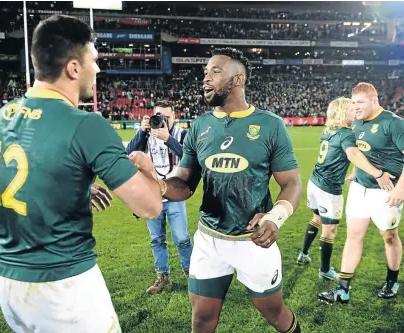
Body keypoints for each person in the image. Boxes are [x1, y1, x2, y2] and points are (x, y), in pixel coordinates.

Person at [0, 15, 162, 333]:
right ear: (73, 68)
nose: (98, 70)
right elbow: (149, 207)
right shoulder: (86, 124)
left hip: (7, 280)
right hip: (62, 285)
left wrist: (64, 183)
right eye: (94, 60)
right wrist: (149, 170)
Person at [155, 47, 303, 333]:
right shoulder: (200, 126)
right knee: (201, 319)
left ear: (238, 80)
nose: (205, 78)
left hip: (254, 239)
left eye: (215, 72)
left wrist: (275, 217)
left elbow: (292, 183)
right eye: (205, 73)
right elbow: (184, 184)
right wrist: (159, 184)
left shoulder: (270, 125)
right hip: (209, 240)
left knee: (275, 314)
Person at [319, 82, 404, 304]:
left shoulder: (393, 123)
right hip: (359, 189)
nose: (355, 107)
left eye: (360, 102)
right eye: (353, 102)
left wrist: (401, 188)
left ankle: (392, 280)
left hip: (385, 192)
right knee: (354, 236)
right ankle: (342, 290)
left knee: (389, 236)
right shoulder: (356, 123)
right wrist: (355, 172)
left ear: (374, 100)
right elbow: (362, 150)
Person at [297, 97, 394, 281]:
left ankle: (303, 253)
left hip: (314, 182)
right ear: (343, 112)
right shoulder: (346, 133)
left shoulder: (328, 130)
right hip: (329, 188)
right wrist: (377, 173)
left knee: (316, 217)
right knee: (330, 230)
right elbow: (353, 154)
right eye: (351, 109)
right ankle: (325, 270)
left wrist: (353, 172)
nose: (355, 111)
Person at [126, 100, 193, 294]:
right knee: (156, 239)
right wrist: (141, 131)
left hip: (174, 194)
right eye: (159, 117)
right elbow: (128, 154)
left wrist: (168, 139)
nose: (162, 121)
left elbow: (191, 158)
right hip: (152, 195)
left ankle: (191, 275)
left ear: (174, 117)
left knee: (182, 238)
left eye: (167, 117)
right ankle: (162, 277)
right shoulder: (147, 135)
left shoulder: (182, 134)